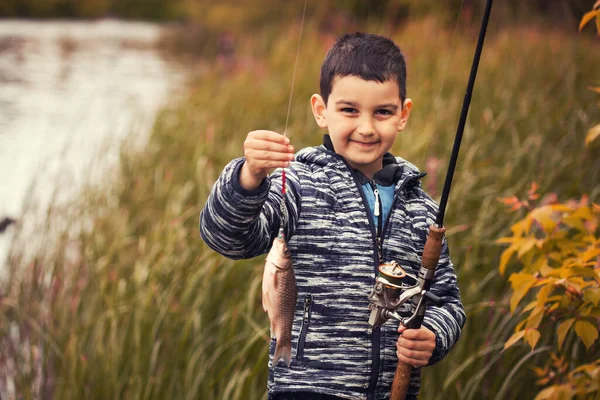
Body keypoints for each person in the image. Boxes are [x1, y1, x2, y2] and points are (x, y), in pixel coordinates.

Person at [200, 32, 466, 400]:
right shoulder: (296, 184)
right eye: (349, 110)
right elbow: (226, 237)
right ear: (321, 110)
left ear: (403, 115)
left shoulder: (421, 209)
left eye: (383, 112)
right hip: (305, 390)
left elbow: (447, 302)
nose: (367, 127)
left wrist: (433, 336)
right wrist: (248, 177)